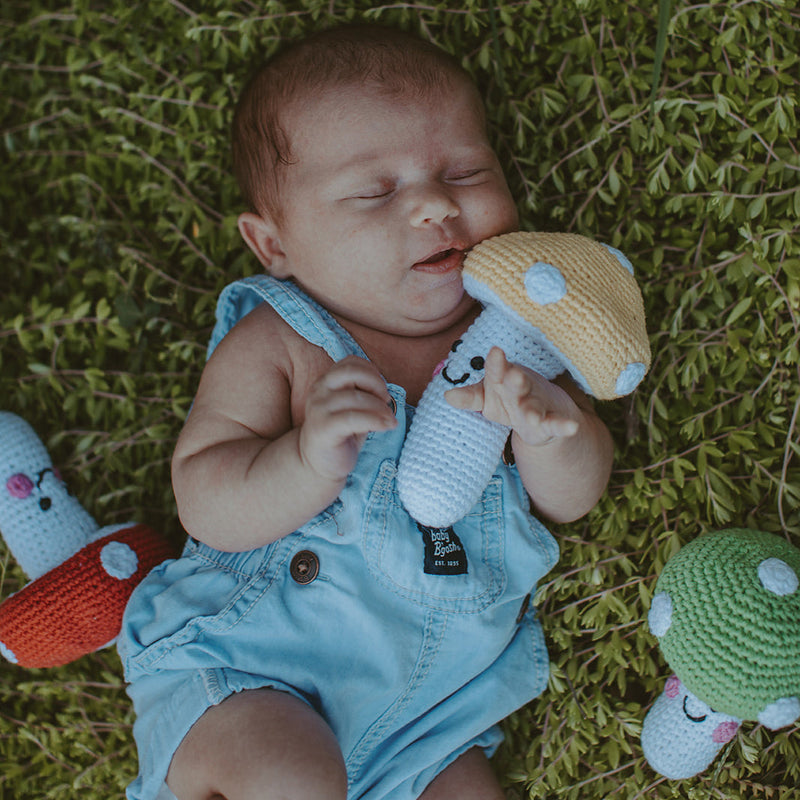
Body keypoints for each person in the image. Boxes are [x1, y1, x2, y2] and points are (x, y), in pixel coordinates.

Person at [118, 23, 614, 800]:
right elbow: (205, 496)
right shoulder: (281, 341)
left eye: (465, 171)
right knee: (293, 778)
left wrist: (556, 432)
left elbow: (573, 499)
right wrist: (304, 459)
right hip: (254, 670)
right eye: (375, 191)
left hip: (427, 721)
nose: (433, 205)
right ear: (273, 244)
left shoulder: (516, 346)